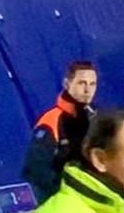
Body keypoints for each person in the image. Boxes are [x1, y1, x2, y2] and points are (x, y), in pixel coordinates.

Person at [23, 60, 98, 202]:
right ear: (67, 84)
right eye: (82, 83)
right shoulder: (52, 121)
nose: (87, 90)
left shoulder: (98, 119)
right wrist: (64, 193)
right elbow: (35, 168)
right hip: (64, 202)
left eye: (92, 84)